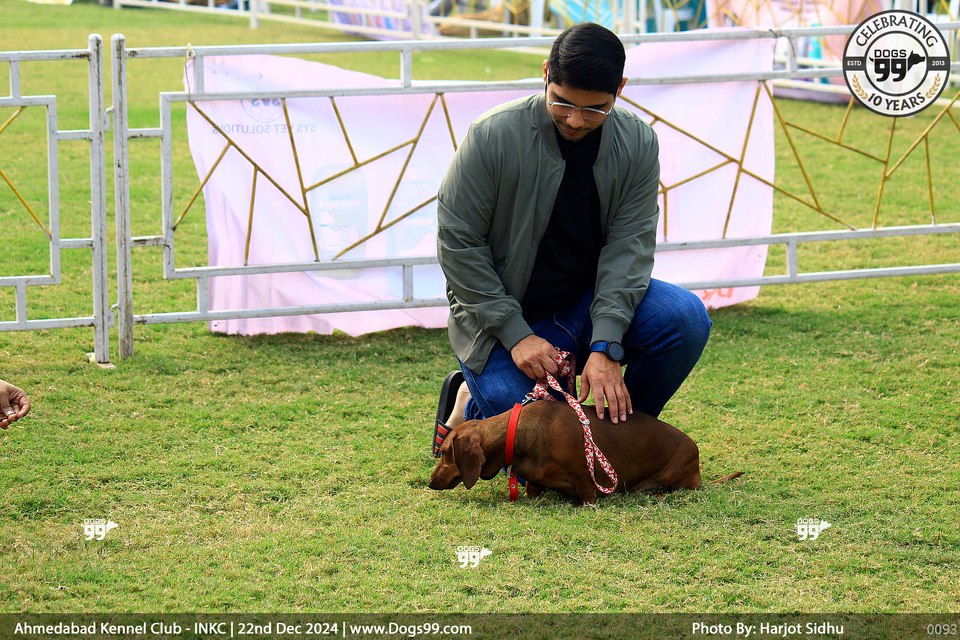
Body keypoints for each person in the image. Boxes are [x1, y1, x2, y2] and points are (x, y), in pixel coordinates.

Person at [433, 23, 711, 453]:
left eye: (595, 109)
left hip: (587, 306)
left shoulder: (638, 142)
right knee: (538, 450)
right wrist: (515, 334)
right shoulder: (491, 136)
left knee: (685, 319)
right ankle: (470, 401)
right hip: (503, 322)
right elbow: (458, 244)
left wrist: (607, 344)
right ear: (546, 72)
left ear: (620, 88)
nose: (576, 120)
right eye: (561, 102)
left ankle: (619, 442)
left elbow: (630, 248)